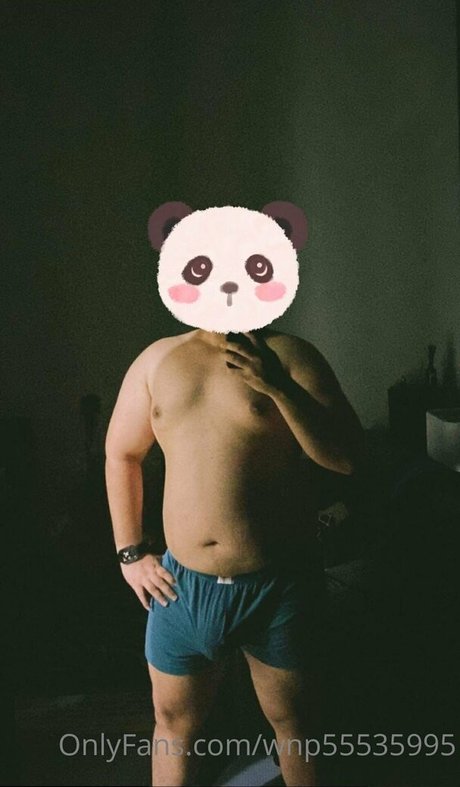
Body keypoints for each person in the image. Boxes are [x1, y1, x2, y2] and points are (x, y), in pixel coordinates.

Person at [105, 327, 364, 786]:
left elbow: (347, 458)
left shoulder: (290, 355)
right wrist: (130, 554)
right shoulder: (157, 359)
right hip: (181, 588)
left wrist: (277, 387)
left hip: (278, 586)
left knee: (297, 726)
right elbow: (122, 453)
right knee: (173, 723)